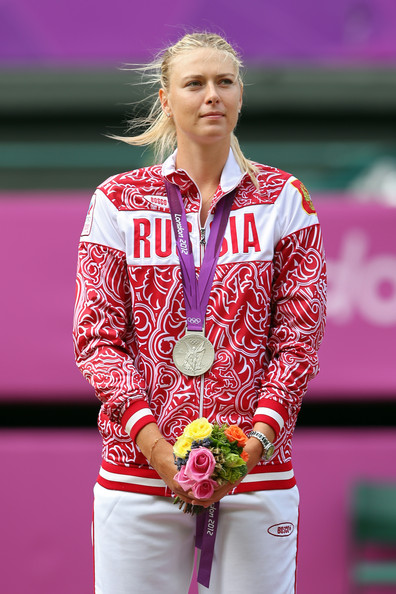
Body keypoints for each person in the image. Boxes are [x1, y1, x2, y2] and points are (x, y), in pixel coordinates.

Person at [73, 32, 326, 594]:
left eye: (224, 82)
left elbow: (298, 340)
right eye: (194, 83)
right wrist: (160, 453)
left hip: (256, 475)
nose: (212, 95)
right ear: (166, 99)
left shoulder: (285, 198)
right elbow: (97, 341)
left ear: (240, 96)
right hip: (138, 474)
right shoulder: (117, 199)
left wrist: (248, 448)